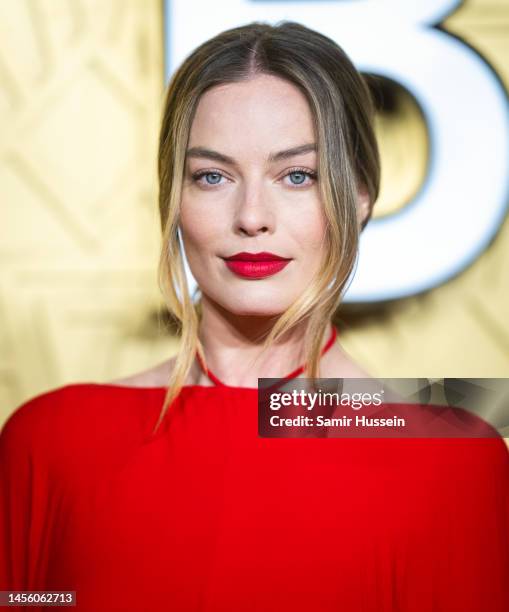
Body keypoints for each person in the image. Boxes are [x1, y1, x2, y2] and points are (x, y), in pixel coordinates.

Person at [1, 20, 509, 612]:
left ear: (361, 196)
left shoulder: (454, 460)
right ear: (175, 200)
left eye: (297, 175)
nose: (251, 217)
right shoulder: (53, 441)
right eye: (212, 176)